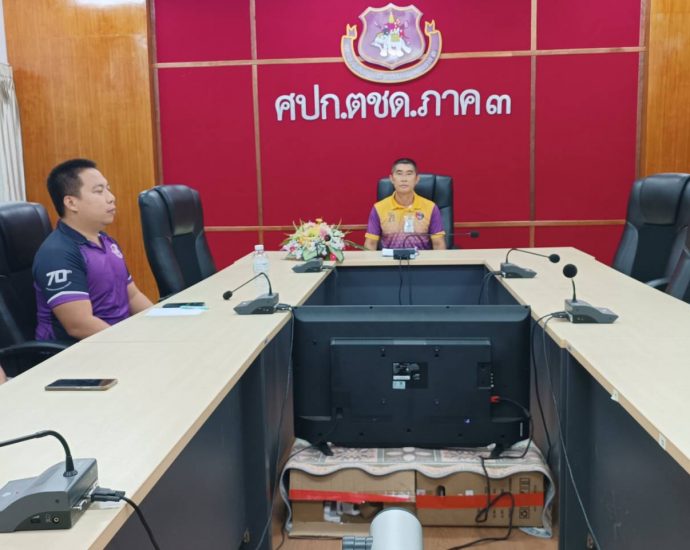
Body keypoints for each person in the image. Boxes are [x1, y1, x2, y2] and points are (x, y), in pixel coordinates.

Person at [33, 158, 153, 342]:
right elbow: (79, 325)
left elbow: (133, 297)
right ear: (71, 203)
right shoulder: (58, 253)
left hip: (116, 339)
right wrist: (131, 343)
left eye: (108, 189)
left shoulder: (107, 242)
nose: (111, 197)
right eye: (99, 191)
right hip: (79, 351)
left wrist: (159, 324)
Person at [364, 158, 446, 250]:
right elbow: (370, 244)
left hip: (421, 258)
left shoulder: (430, 207)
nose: (404, 179)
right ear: (392, 179)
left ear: (417, 179)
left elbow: (438, 244)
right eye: (399, 174)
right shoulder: (379, 208)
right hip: (390, 258)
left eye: (409, 174)